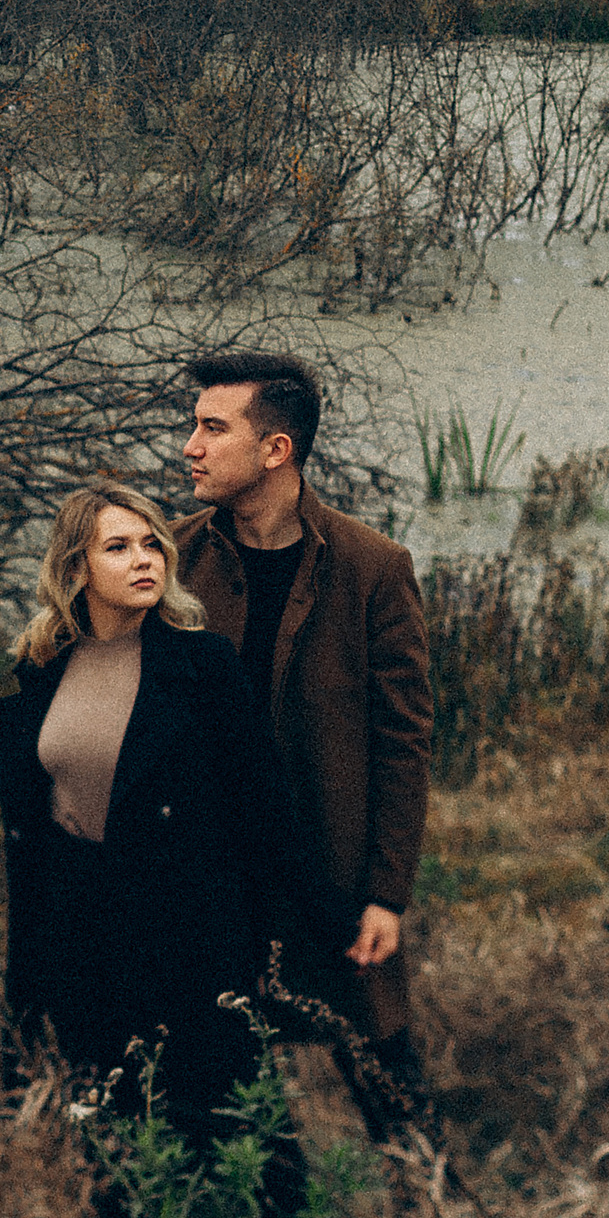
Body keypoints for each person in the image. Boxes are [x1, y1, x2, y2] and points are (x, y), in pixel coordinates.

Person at [0, 483, 352, 1143]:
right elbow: (26, 844)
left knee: (235, 1118)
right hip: (80, 934)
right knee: (110, 1127)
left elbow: (264, 807)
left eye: (153, 543)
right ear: (77, 568)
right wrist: (25, 983)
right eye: (118, 546)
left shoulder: (202, 665)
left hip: (189, 930)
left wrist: (331, 914)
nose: (145, 558)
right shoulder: (37, 671)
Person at [174, 352, 436, 1132]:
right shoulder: (174, 559)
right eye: (195, 424)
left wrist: (387, 892)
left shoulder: (372, 569)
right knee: (215, 1059)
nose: (190, 444)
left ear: (275, 449)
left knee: (383, 1066)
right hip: (212, 872)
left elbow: (404, 742)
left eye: (212, 428)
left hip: (329, 866)